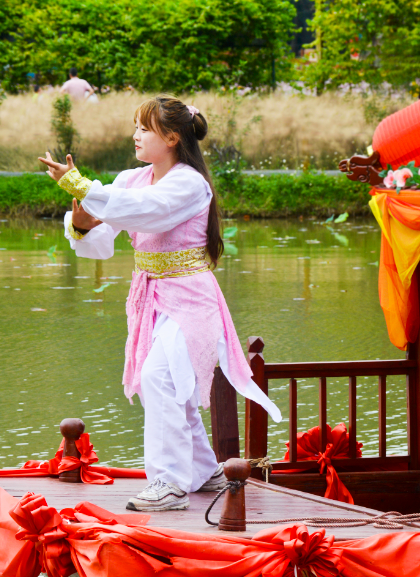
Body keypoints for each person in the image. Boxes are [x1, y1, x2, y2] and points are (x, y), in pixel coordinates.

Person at [38, 95, 281, 512]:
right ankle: (203, 470)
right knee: (172, 384)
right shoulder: (131, 180)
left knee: (159, 378)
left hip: (191, 298)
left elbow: (147, 212)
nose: (135, 135)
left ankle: (169, 483)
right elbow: (101, 240)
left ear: (171, 138)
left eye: (144, 129)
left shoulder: (189, 184)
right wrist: (79, 224)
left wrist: (81, 186)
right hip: (151, 298)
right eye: (136, 127)